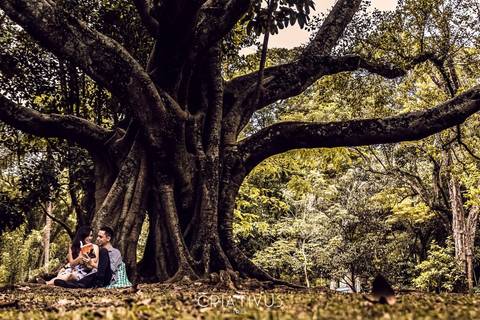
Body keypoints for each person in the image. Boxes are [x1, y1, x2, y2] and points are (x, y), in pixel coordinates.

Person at [53, 226, 123, 288]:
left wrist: (92, 264)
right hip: (94, 275)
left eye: (100, 237)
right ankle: (74, 285)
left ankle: (98, 284)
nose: (97, 238)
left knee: (104, 251)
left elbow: (111, 269)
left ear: (108, 238)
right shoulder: (96, 249)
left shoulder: (115, 252)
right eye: (98, 236)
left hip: (106, 277)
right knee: (85, 279)